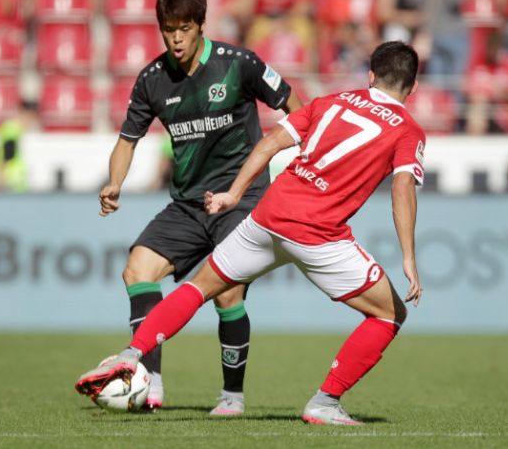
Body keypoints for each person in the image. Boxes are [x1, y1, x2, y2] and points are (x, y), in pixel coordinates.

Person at [76, 41, 425, 425]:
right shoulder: (408, 130)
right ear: (413, 86)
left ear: (370, 76)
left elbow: (270, 143)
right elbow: (402, 187)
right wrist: (408, 257)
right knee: (389, 314)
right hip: (318, 233)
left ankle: (131, 354)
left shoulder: (331, 102)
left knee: (198, 288)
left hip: (268, 217)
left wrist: (233, 194)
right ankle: (324, 402)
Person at [92, 0, 303, 415]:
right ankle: (151, 382)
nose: (176, 39)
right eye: (168, 29)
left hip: (240, 199)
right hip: (188, 204)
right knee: (137, 269)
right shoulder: (152, 79)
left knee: (227, 294)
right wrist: (115, 183)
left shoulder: (238, 64)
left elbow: (294, 105)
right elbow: (127, 140)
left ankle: (232, 396)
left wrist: (310, 154)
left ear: (201, 25)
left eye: (184, 29)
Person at [0, 100, 39, 192]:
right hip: (9, 184)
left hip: (14, 185)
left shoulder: (16, 130)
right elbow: (7, 156)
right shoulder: (12, 130)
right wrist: (0, 179)